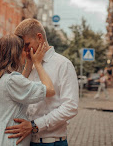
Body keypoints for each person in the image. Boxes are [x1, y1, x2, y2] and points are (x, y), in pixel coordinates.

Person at [5, 18, 79, 146]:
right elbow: (20, 95)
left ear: (39, 38)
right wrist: (29, 64)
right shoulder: (31, 65)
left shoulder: (63, 64)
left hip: (51, 142)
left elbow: (70, 107)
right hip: (28, 141)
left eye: (27, 45)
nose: (25, 51)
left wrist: (35, 126)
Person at [0, 34, 55, 146]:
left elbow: (18, 89)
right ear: (16, 53)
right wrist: (37, 64)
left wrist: (29, 64)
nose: (26, 53)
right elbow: (49, 90)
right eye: (23, 50)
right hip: (7, 140)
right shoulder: (12, 80)